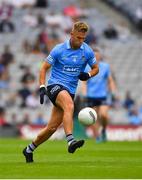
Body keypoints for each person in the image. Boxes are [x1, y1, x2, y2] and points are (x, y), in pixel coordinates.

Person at [23, 21, 99, 163]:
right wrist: (41, 86)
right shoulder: (59, 49)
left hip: (70, 90)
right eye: (78, 38)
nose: (81, 41)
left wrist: (88, 75)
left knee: (51, 128)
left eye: (83, 38)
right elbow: (44, 68)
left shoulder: (87, 50)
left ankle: (29, 149)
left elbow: (96, 68)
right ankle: (70, 141)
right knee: (70, 106)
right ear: (71, 34)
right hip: (55, 86)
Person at [81, 48, 117, 142]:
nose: (96, 57)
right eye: (94, 56)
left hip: (103, 95)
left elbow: (110, 80)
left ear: (100, 56)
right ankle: (97, 137)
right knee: (92, 118)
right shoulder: (87, 68)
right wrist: (84, 95)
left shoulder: (105, 67)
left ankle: (104, 130)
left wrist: (113, 91)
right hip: (90, 96)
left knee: (104, 115)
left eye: (98, 56)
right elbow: (84, 83)